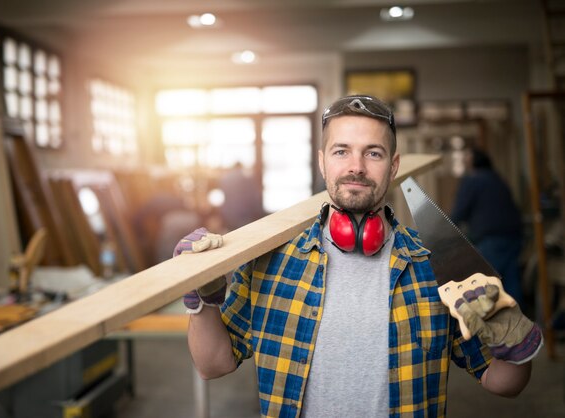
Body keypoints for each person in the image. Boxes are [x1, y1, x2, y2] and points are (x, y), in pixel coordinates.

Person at [174, 95, 543, 417]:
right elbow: (213, 364)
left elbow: (503, 383)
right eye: (341, 151)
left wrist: (515, 344)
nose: (356, 166)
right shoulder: (271, 261)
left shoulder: (437, 264)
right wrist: (202, 297)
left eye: (373, 153)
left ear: (394, 166)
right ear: (322, 162)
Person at [451, 147, 525, 306]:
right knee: (511, 284)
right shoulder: (498, 179)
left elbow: (459, 212)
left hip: (491, 241)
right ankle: (521, 327)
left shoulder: (473, 181)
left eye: (467, 159)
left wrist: (443, 231)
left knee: (486, 287)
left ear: (473, 162)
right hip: (513, 238)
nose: (465, 163)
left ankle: (495, 328)